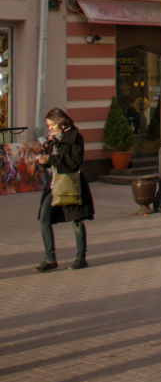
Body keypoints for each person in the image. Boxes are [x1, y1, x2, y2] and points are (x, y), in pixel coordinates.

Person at [35, 108, 94, 272]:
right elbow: (51, 160)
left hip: (70, 184)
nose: (50, 128)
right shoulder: (51, 140)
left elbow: (75, 161)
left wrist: (52, 159)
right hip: (53, 184)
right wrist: (44, 160)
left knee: (76, 220)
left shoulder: (75, 137)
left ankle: (81, 258)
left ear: (61, 122)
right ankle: (50, 259)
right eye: (48, 126)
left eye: (52, 124)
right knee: (44, 219)